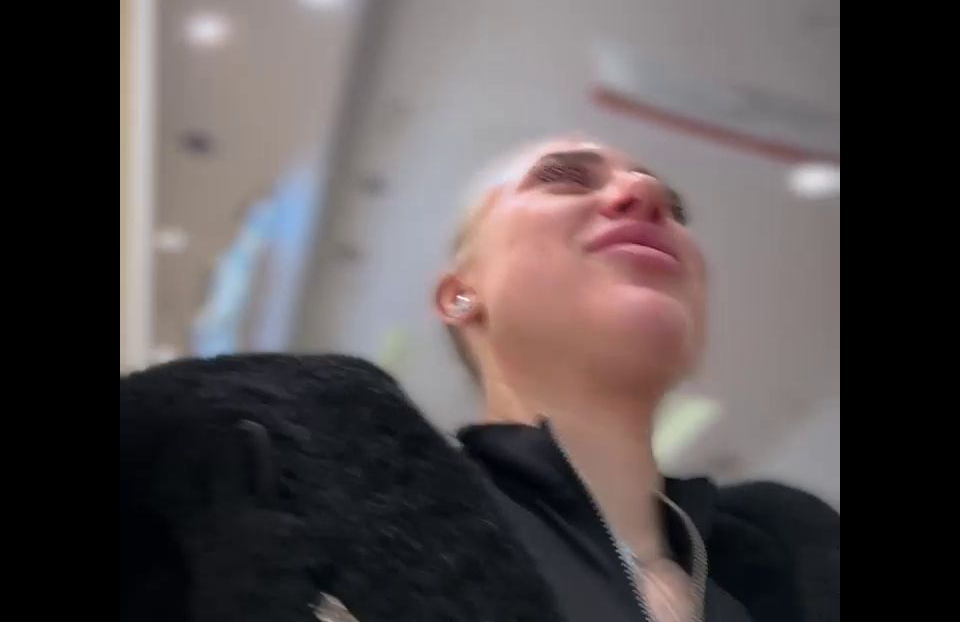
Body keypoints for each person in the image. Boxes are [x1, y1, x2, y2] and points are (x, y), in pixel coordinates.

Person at [120, 136, 839, 622]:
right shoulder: (291, 484)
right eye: (564, 179)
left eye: (673, 208)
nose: (644, 193)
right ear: (460, 295)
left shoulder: (788, 573)